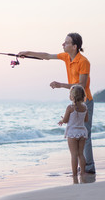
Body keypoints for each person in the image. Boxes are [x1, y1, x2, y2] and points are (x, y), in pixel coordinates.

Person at [18, 32, 95, 173]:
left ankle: (88, 169)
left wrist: (61, 85)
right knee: (78, 134)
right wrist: (27, 53)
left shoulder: (84, 62)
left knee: (85, 135)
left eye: (66, 42)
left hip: (86, 101)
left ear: (74, 46)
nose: (63, 44)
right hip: (75, 100)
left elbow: (81, 86)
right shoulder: (66, 57)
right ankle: (82, 167)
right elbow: (46, 56)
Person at [58, 85, 88, 177]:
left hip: (72, 133)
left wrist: (62, 120)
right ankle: (83, 172)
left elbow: (66, 120)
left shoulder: (70, 107)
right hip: (82, 132)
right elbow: (86, 120)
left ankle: (74, 174)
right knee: (81, 154)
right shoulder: (85, 107)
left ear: (72, 96)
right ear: (83, 96)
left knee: (74, 155)